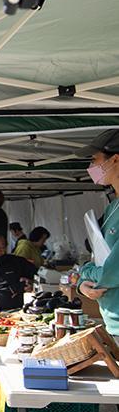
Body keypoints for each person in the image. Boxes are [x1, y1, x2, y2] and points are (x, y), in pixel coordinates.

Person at [77, 129, 119, 342]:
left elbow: (112, 272)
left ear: (115, 159)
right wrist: (82, 283)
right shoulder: (113, 207)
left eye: (95, 160)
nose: (91, 167)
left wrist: (85, 272)